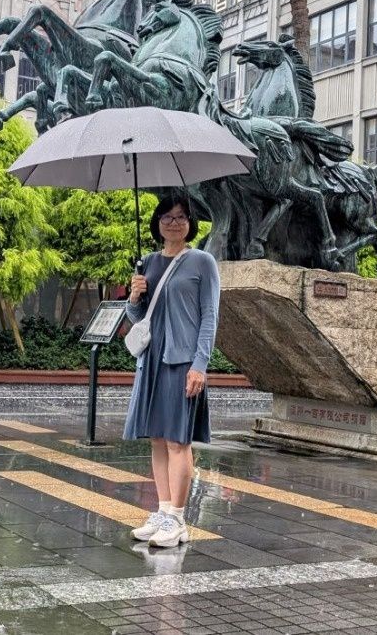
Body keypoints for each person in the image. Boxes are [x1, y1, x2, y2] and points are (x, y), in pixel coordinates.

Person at [123, 193, 220, 548]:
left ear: (190, 223)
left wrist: (200, 365)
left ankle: (178, 519)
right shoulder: (147, 262)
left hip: (182, 362)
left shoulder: (202, 262)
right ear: (157, 223)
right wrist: (134, 297)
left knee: (178, 441)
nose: (174, 223)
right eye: (167, 217)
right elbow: (138, 317)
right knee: (157, 438)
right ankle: (163, 511)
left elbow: (210, 316)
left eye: (181, 217)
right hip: (151, 360)